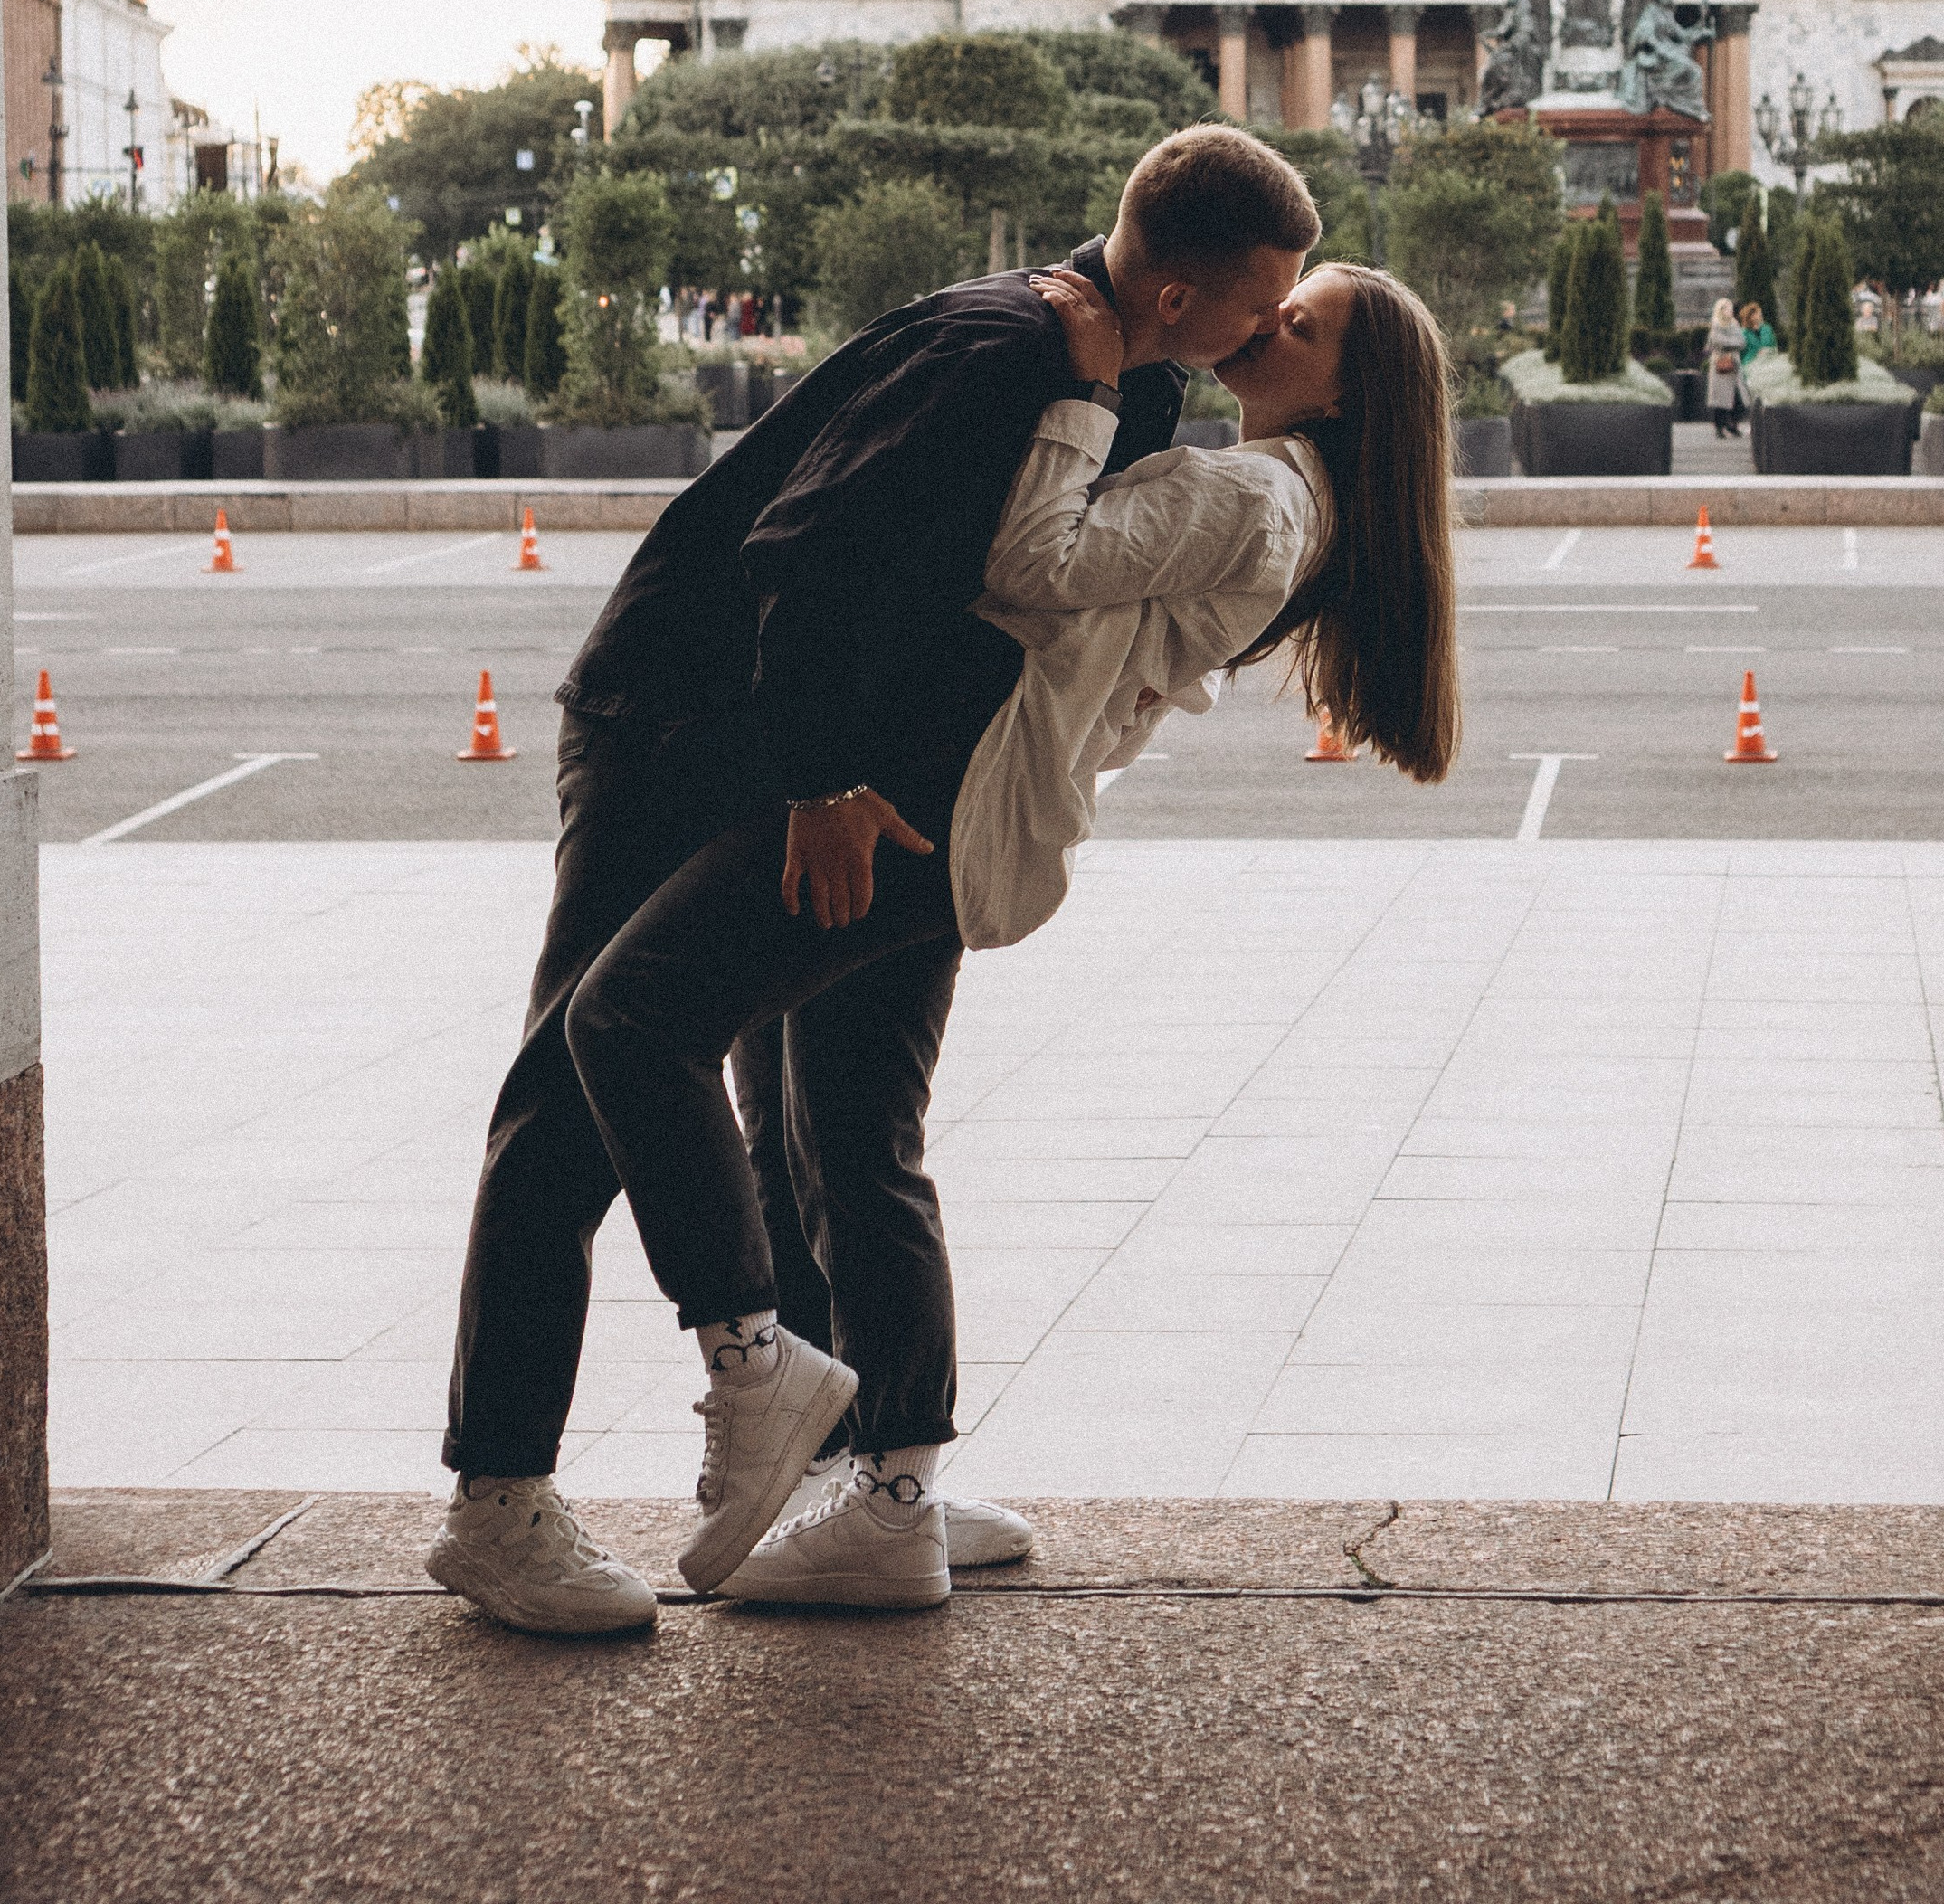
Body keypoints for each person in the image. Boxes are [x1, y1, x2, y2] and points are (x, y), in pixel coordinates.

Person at [423, 124, 1322, 1638]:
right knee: (574, 1089)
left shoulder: (1139, 374)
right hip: (685, 717)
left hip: (863, 771)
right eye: (1258, 306)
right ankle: (498, 1500)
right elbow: (802, 549)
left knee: (840, 1113)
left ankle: (867, 1477)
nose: (1265, 335)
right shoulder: (998, 348)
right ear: (1177, 293)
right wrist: (825, 783)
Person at [661, 251, 1460, 1610]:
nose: (1269, 322)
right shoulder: (1273, 485)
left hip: (943, 800)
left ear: (1352, 388)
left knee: (842, 1135)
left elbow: (1042, 558)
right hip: (953, 793)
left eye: (1304, 323)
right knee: (811, 1123)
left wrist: (1085, 397)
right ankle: (871, 1472)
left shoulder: (1261, 490)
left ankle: (892, 1489)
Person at [1704, 292, 1746, 440]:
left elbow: (1742, 342)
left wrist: (1729, 343)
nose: (1731, 311)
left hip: (1733, 364)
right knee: (1720, 399)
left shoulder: (1734, 324)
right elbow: (1716, 340)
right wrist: (1731, 343)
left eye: (1730, 308)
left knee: (1737, 398)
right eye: (1727, 308)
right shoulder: (1716, 323)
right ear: (1721, 310)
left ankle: (1733, 425)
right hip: (1720, 365)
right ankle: (1719, 427)